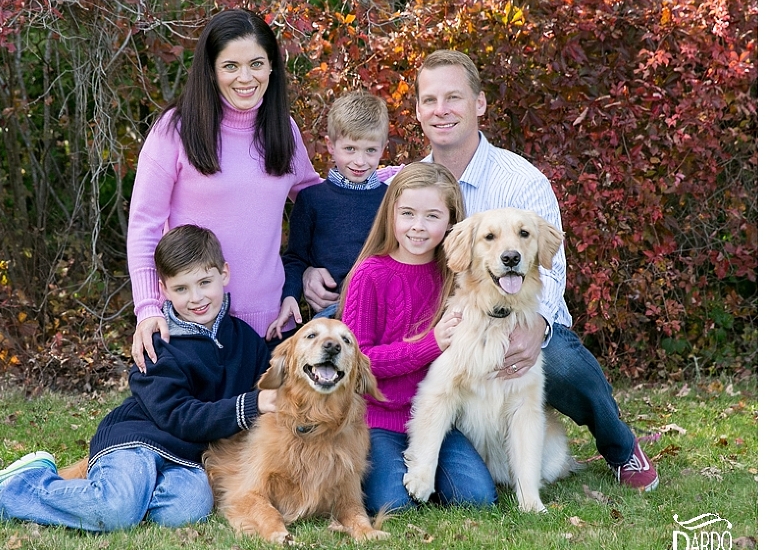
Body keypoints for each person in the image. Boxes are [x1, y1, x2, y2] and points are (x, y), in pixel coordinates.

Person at [405, 49, 657, 491]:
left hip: (523, 316)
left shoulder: (521, 180)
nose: (440, 110)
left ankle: (620, 448)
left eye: (453, 98)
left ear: (479, 104)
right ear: (419, 110)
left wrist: (535, 327)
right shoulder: (408, 181)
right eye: (429, 100)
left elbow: (552, 271)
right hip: (446, 319)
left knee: (556, 361)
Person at [0, 225, 276, 531]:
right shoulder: (157, 342)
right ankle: (15, 490)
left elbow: (271, 383)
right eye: (181, 288)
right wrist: (250, 404)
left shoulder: (246, 341)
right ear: (164, 290)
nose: (196, 298)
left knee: (189, 509)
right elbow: (181, 416)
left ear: (224, 274)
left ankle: (117, 498)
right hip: (137, 441)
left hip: (187, 459)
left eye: (204, 283)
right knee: (117, 509)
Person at [127, 8, 321, 371]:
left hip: (274, 327)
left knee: (273, 426)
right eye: (231, 66)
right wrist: (148, 309)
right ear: (211, 70)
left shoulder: (283, 129)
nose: (245, 77)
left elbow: (315, 199)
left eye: (257, 64)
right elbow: (144, 226)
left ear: (272, 67)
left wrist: (377, 183)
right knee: (199, 425)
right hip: (195, 327)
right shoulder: (176, 130)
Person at [338, 162, 497, 514]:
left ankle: (435, 474)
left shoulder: (456, 277)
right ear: (391, 213)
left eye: (432, 216)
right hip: (378, 419)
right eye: (407, 213)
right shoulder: (371, 274)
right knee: (395, 506)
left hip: (437, 416)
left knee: (478, 500)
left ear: (452, 221)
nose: (418, 227)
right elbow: (357, 361)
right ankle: (402, 475)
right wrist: (430, 345)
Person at [265, 91, 389, 339]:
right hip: (330, 314)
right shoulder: (313, 199)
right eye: (350, 149)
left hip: (381, 315)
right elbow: (296, 258)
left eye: (370, 150)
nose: (360, 160)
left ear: (383, 149)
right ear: (331, 146)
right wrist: (290, 295)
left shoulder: (391, 199)